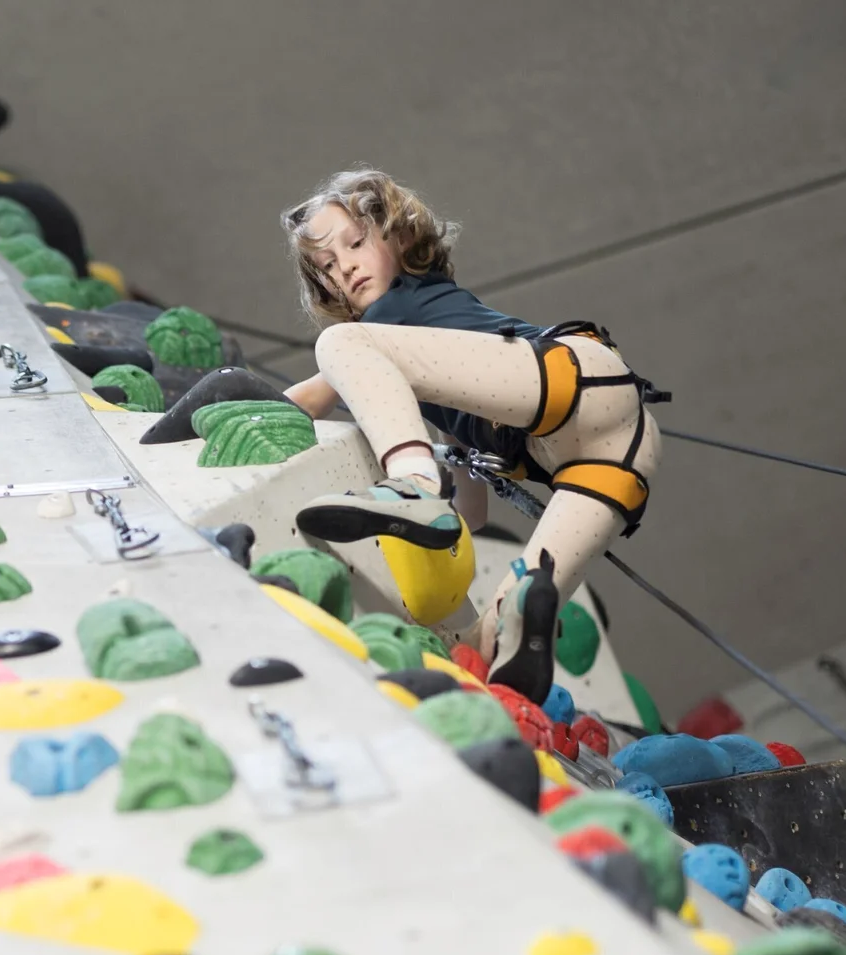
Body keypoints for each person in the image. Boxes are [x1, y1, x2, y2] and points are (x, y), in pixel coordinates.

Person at [278, 168, 667, 701]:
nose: (343, 266)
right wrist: (453, 473)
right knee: (498, 630)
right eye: (326, 266)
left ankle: (410, 484)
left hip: (571, 379)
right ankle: (514, 663)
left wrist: (240, 411)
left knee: (338, 344)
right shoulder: (427, 363)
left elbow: (316, 392)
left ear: (400, 235)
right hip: (618, 449)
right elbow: (473, 514)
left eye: (355, 243)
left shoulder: (401, 306)